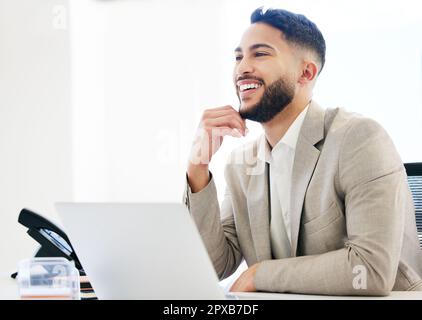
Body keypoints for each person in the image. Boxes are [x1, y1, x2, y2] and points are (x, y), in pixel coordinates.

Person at [183, 7, 422, 295]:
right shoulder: (241, 164)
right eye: (238, 57)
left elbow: (369, 270)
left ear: (305, 72)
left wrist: (260, 275)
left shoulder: (359, 139)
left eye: (260, 54)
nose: (242, 68)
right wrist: (198, 166)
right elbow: (214, 265)